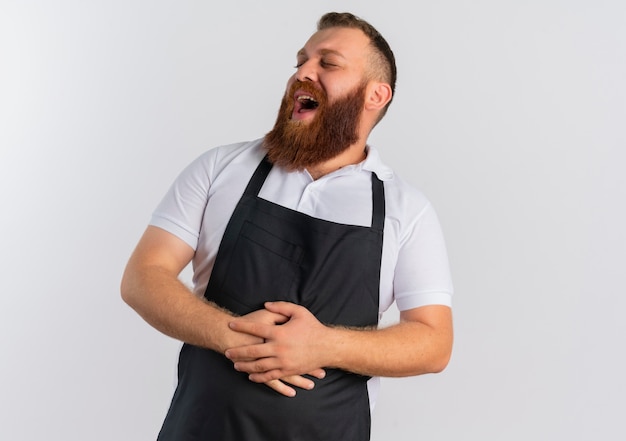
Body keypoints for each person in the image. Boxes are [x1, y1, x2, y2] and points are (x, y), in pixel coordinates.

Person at [121, 11, 454, 441]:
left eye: (327, 63)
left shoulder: (406, 210)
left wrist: (323, 345)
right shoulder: (222, 168)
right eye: (300, 61)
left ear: (376, 95)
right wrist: (235, 336)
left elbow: (434, 343)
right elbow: (142, 276)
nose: (303, 72)